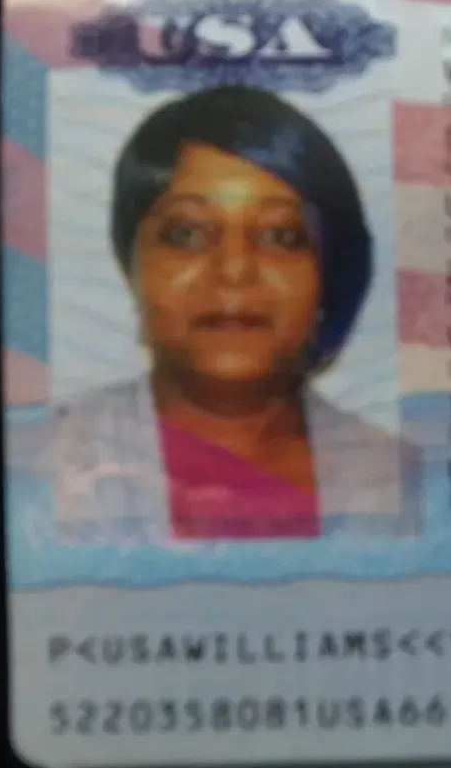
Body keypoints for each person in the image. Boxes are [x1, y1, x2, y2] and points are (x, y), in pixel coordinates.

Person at [38, 85, 407, 541]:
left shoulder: (407, 484)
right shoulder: (37, 466)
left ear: (329, 274)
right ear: (131, 265)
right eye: (187, 234)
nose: (234, 271)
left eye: (280, 236)